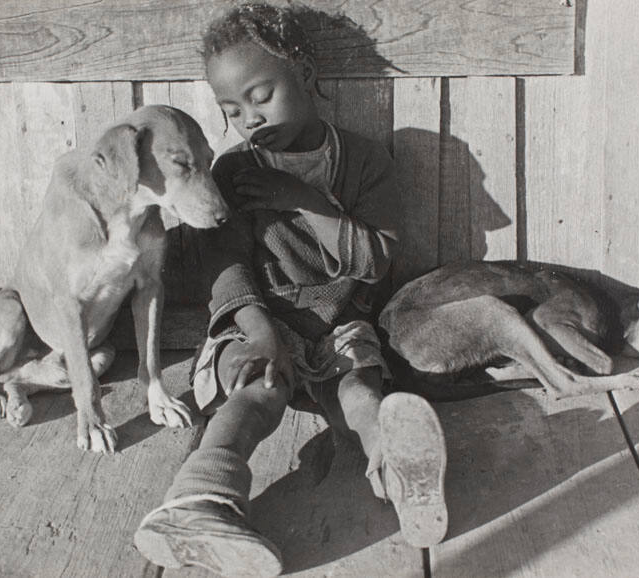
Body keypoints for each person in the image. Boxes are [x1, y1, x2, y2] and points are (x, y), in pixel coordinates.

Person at [134, 4, 448, 575]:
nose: (248, 118)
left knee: (358, 390)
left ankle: (400, 472)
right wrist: (258, 333)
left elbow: (375, 260)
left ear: (304, 75)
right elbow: (225, 266)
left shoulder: (363, 162)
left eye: (260, 95)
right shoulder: (230, 173)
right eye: (231, 110)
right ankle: (198, 501)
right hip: (256, 322)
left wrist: (297, 197)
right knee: (255, 391)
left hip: (337, 325)